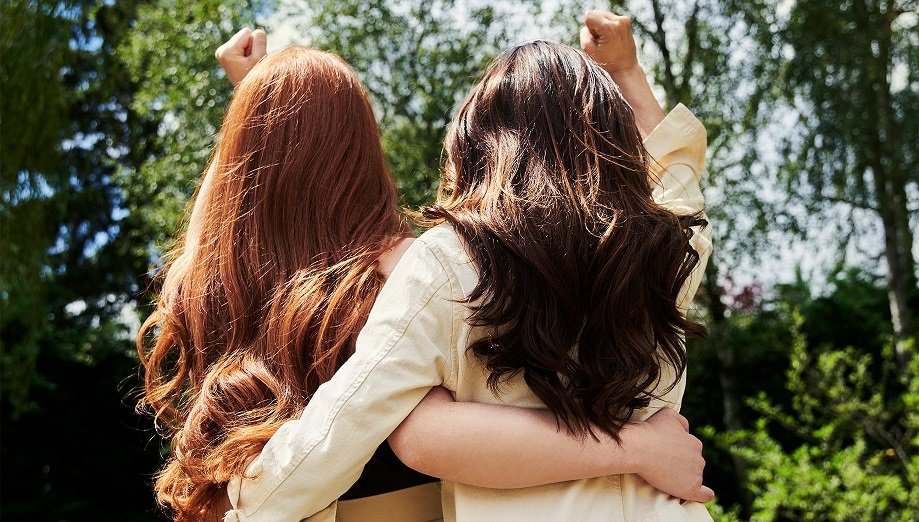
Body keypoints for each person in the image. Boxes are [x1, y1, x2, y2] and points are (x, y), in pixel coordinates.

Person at [137, 25, 712, 522]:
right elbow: (678, 189)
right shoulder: (672, 251)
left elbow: (362, 431)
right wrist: (629, 73)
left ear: (478, 144)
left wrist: (257, 107)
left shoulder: (447, 270)